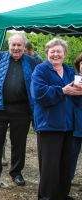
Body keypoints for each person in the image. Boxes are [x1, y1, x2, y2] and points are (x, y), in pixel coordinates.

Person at [0, 32, 36, 191]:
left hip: (22, 109)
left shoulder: (32, 62)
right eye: (14, 45)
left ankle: (16, 172)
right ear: (9, 46)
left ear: (24, 47)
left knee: (19, 143)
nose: (16, 48)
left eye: (19, 45)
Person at [30, 38, 82, 199]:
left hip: (67, 125)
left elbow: (73, 97)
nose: (55, 54)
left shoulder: (68, 71)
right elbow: (39, 94)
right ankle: (46, 196)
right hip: (49, 125)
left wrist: (78, 92)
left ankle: (61, 195)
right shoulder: (40, 70)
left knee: (65, 164)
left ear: (65, 54)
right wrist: (62, 91)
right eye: (52, 51)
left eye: (59, 51)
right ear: (47, 53)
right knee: (49, 166)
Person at [71, 53, 82, 182]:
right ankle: (66, 184)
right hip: (74, 126)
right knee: (71, 157)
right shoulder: (73, 80)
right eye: (81, 63)